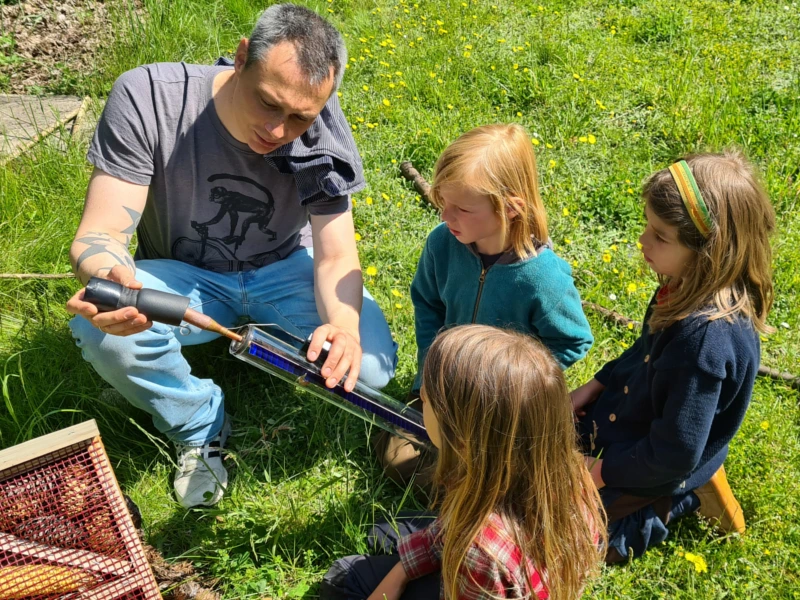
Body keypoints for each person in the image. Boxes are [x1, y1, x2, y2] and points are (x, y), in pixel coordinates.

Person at [65, 4, 398, 508]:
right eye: (269, 103)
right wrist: (110, 273)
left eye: (299, 117)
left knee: (370, 367)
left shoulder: (322, 127)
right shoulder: (149, 96)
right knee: (100, 329)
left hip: (285, 268)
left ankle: (277, 337)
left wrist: (345, 331)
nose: (279, 130)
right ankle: (200, 423)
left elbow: (335, 253)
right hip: (183, 274)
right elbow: (101, 230)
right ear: (242, 58)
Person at [572, 151, 775, 562]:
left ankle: (662, 513)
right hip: (630, 422)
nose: (643, 241)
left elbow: (674, 452)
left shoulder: (703, 341)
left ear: (710, 251)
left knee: (555, 533)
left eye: (660, 236)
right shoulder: (683, 283)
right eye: (649, 227)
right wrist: (595, 385)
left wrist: (598, 472)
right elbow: (644, 350)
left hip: (654, 468)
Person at [321, 325, 605, 600]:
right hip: (502, 562)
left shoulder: (480, 551)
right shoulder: (564, 473)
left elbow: (466, 538)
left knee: (345, 575)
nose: (420, 397)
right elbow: (447, 530)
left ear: (463, 438)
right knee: (381, 530)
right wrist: (401, 572)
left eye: (428, 398)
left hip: (482, 570)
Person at [379, 123, 593, 483]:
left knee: (477, 469)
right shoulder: (442, 244)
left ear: (510, 208)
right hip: (444, 389)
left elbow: (572, 341)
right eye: (442, 201)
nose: (446, 216)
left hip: (499, 408)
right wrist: (429, 373)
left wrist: (511, 385)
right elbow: (427, 304)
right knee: (396, 458)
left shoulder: (544, 278)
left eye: (461, 208)